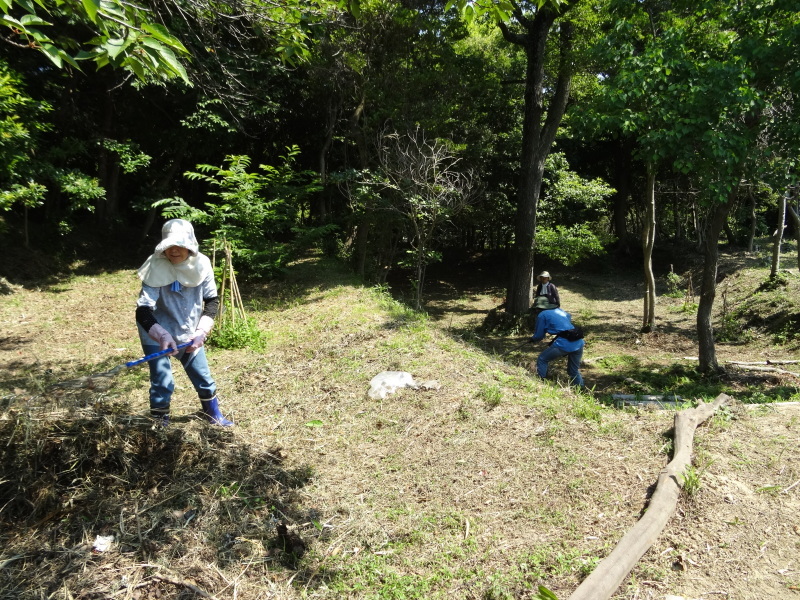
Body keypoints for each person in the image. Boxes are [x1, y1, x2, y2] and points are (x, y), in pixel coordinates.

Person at [135, 219, 233, 426]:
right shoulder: (155, 266)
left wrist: (202, 332)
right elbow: (143, 310)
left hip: (190, 332)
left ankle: (212, 414)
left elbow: (211, 301)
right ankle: (160, 422)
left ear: (190, 244)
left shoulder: (202, 264)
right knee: (162, 381)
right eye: (169, 245)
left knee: (202, 376)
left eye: (179, 244)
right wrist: (161, 335)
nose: (174, 250)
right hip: (157, 332)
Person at [529, 307, 585, 388]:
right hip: (578, 342)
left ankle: (540, 383)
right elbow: (568, 316)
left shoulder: (542, 315)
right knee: (573, 371)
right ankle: (581, 388)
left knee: (542, 359)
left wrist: (533, 339)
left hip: (564, 344)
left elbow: (539, 336)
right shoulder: (558, 310)